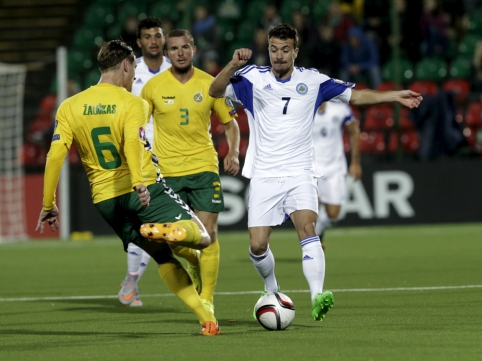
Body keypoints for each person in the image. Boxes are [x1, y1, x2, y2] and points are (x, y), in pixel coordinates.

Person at [209, 23, 422, 322]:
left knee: (308, 229)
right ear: (268, 50)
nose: (279, 56)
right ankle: (272, 288)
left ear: (296, 51)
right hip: (265, 174)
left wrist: (395, 95)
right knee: (257, 246)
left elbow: (356, 97)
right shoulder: (251, 78)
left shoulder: (313, 81)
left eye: (285, 50)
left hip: (300, 171)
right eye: (273, 50)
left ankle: (317, 295)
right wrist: (232, 64)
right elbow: (214, 90)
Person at [35, 40, 220, 336]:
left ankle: (206, 319)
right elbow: (132, 142)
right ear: (125, 65)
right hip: (143, 188)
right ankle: (177, 237)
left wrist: (48, 204)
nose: (134, 76)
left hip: (106, 201)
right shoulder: (134, 103)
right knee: (203, 237)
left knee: (161, 257)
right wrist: (137, 182)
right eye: (133, 69)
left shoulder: (69, 106)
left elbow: (55, 155)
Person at [141, 29, 240, 314]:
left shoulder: (211, 85)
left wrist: (232, 152)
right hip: (168, 173)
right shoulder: (153, 87)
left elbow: (230, 124)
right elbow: (137, 127)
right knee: (174, 238)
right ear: (166, 53)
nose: (180, 52)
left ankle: (207, 298)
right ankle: (194, 263)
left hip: (203, 168)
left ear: (194, 49)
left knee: (208, 233)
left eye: (185, 47)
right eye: (174, 49)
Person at [119, 16, 173, 307]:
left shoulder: (176, 69)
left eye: (158, 35)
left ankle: (131, 280)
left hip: (173, 156)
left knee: (160, 225)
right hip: (139, 156)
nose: (154, 40)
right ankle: (131, 279)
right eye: (148, 36)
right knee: (145, 221)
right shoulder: (129, 72)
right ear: (139, 42)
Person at [312, 101, 361, 249]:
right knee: (312, 210)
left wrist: (355, 162)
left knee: (334, 215)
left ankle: (318, 230)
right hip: (311, 168)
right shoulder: (304, 108)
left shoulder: (340, 109)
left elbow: (354, 132)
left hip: (335, 168)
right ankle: (311, 247)